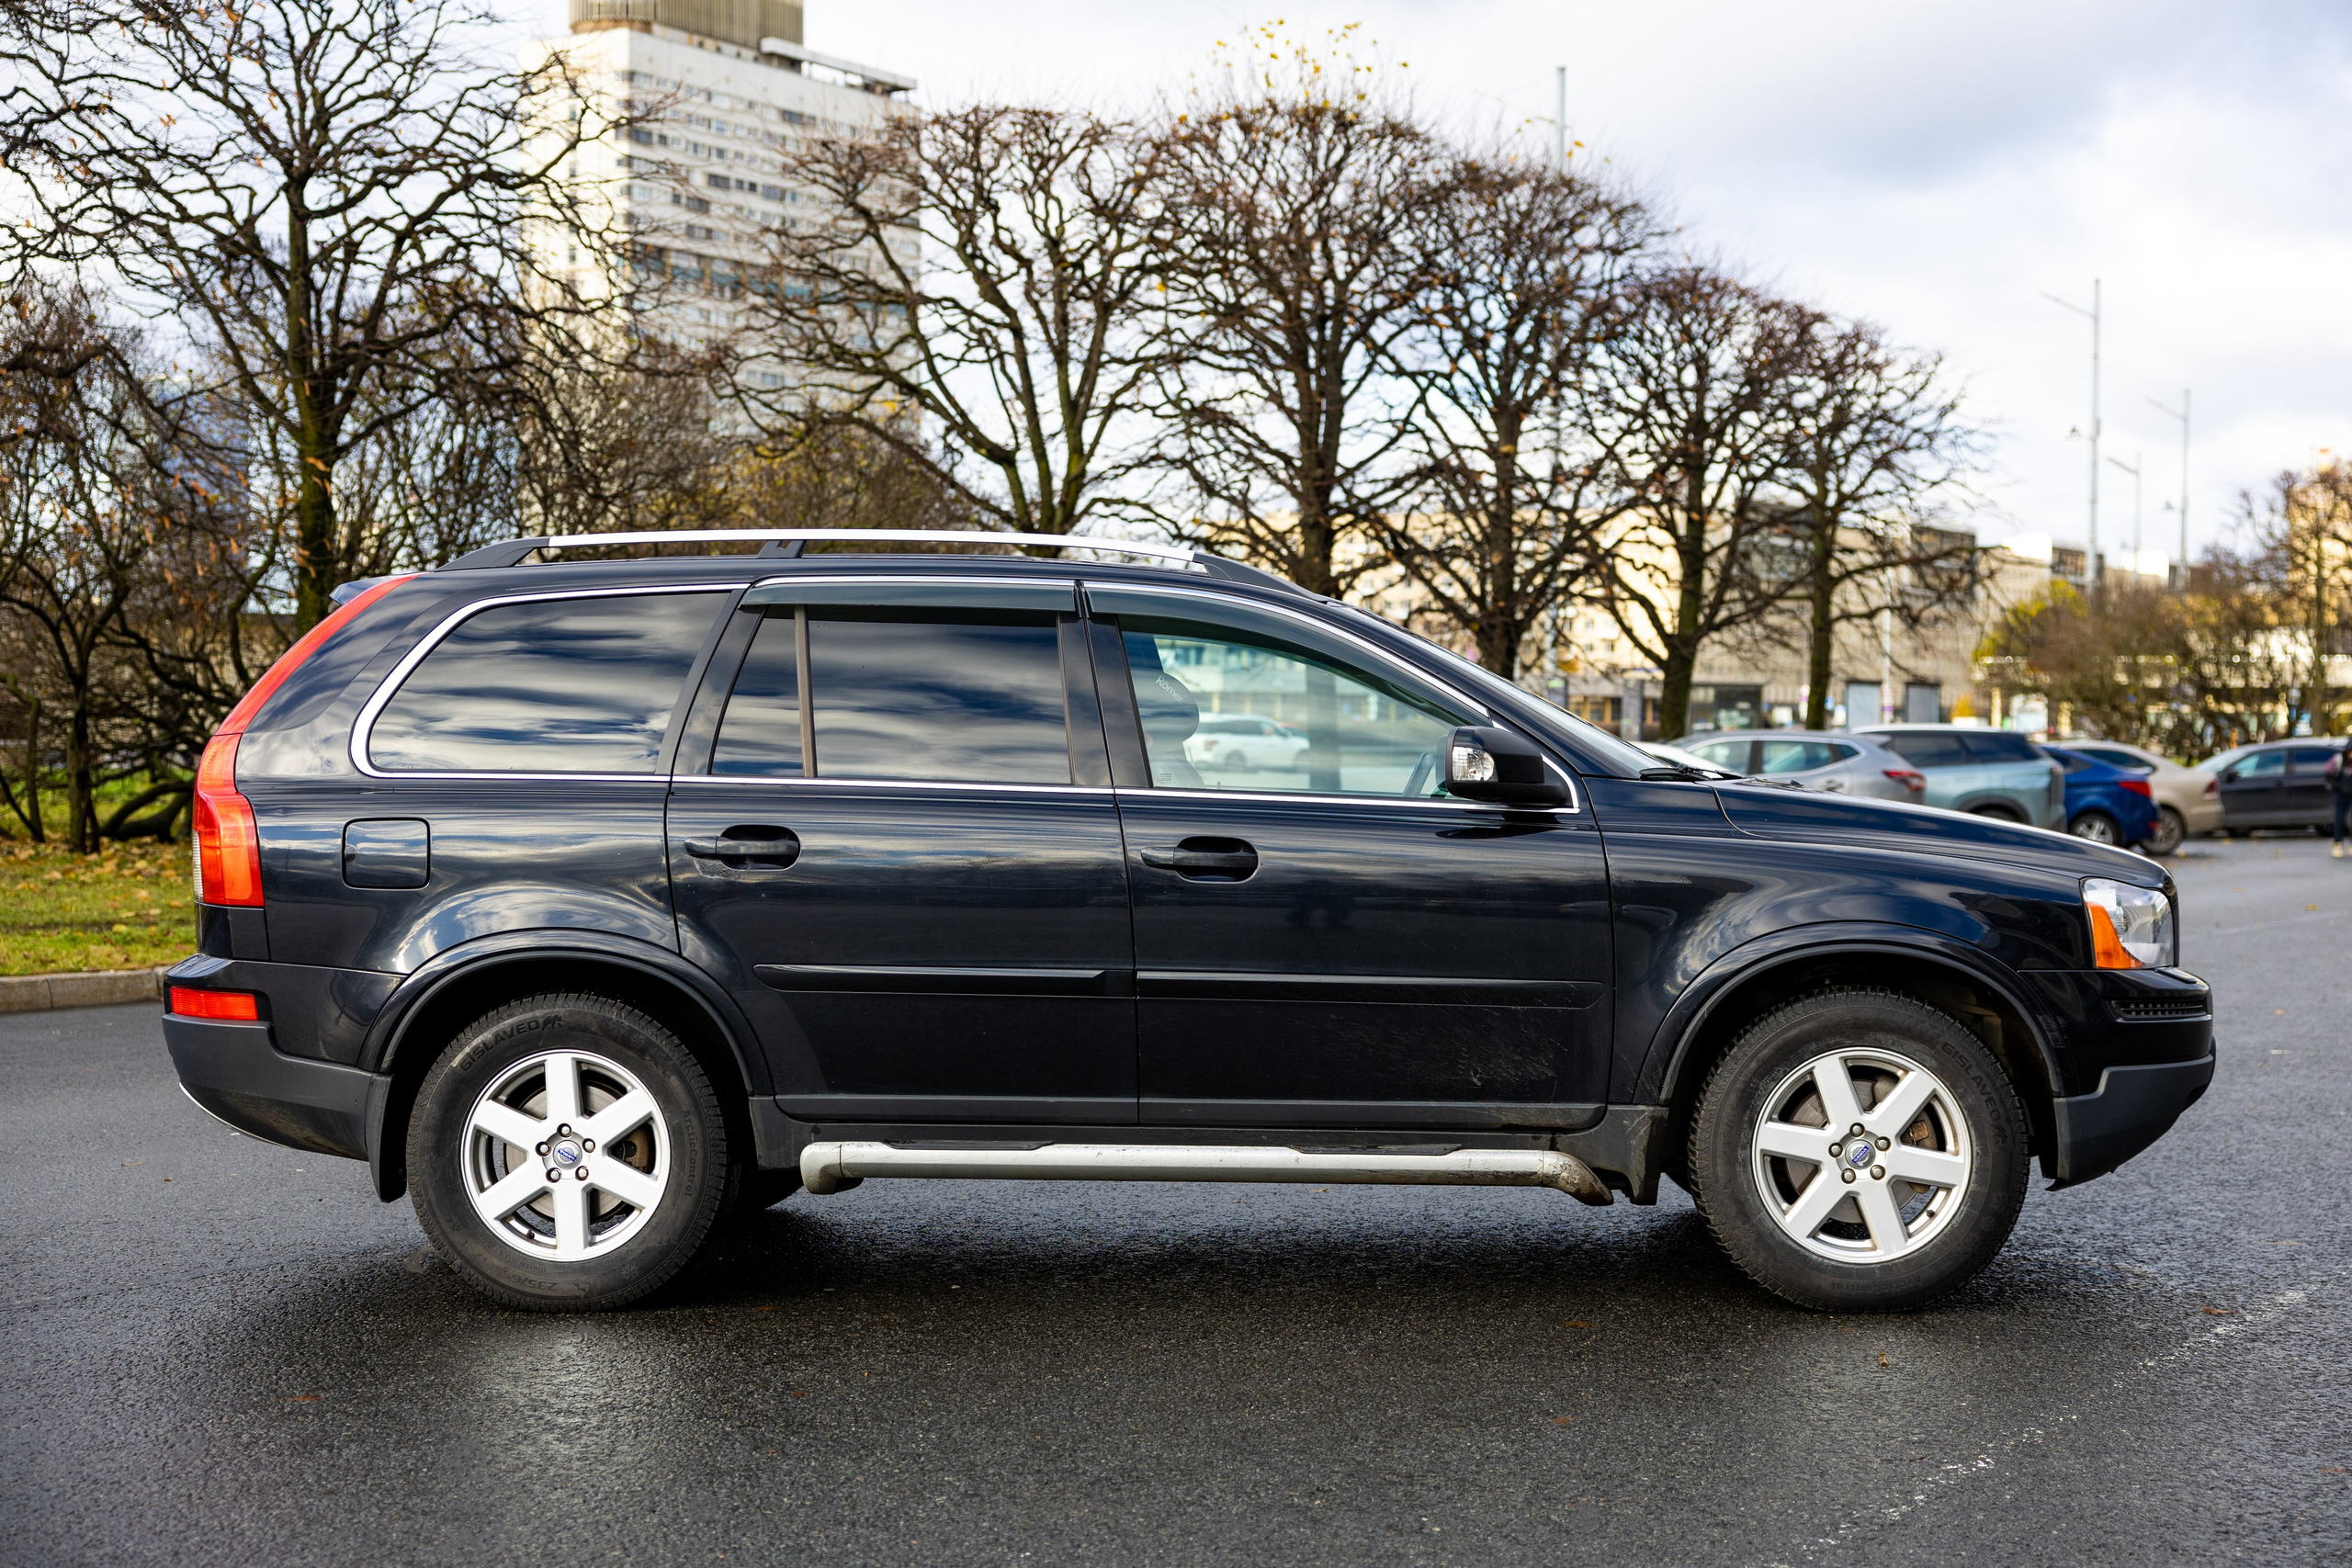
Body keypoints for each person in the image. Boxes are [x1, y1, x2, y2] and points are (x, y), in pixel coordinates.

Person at [2330, 739, 2352, 858]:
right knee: (2339, 819)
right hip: (2340, 794)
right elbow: (2328, 774)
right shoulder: (2338, 759)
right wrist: (2337, 787)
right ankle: (2338, 844)